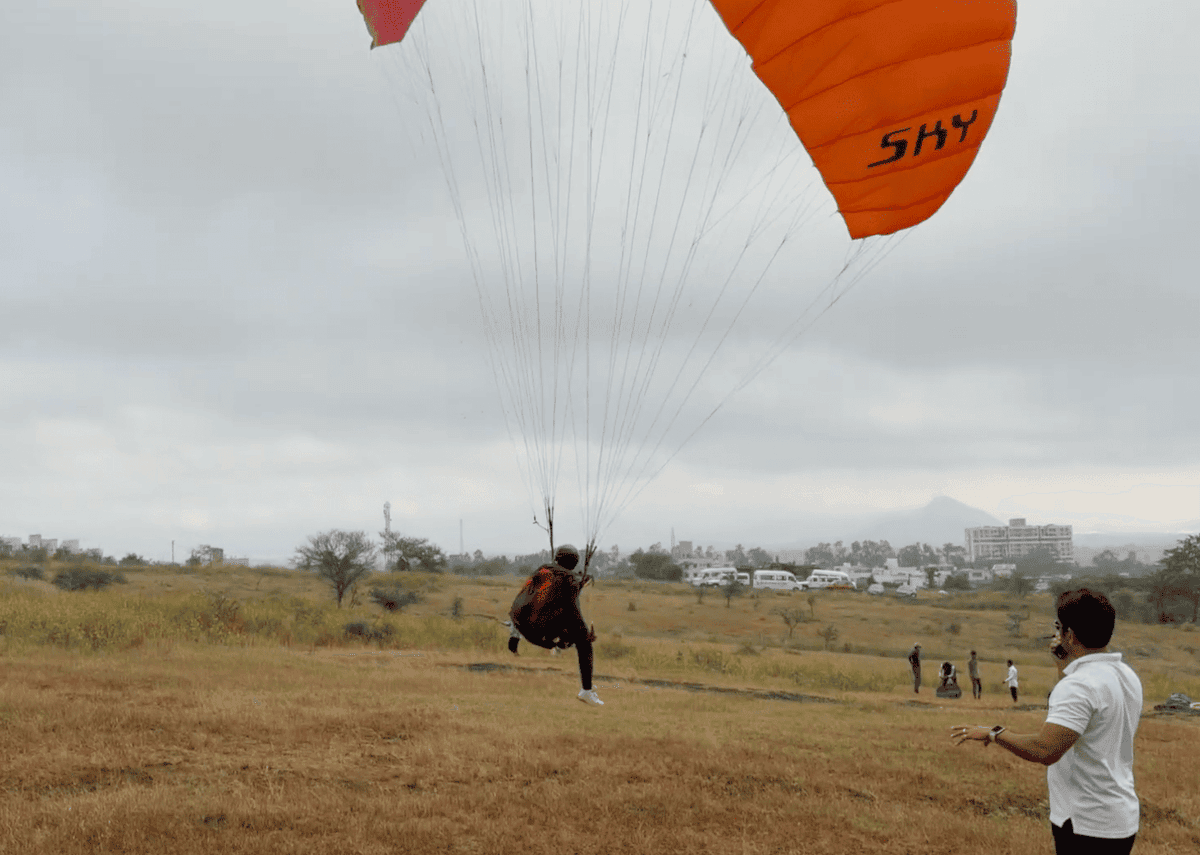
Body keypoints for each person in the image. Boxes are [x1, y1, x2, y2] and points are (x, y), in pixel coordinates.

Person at [951, 589, 1143, 855]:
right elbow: (1081, 715)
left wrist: (994, 733)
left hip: (1086, 823)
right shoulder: (1124, 674)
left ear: (1070, 635)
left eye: (1059, 627)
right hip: (1119, 818)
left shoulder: (1080, 685)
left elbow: (1045, 750)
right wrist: (1062, 666)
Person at [508, 543, 603, 705]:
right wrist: (585, 635)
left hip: (522, 626)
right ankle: (586, 690)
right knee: (584, 642)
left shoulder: (542, 570)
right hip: (543, 633)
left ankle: (561, 645)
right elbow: (573, 612)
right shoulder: (569, 580)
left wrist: (515, 633)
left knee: (567, 629)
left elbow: (527, 599)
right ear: (575, 563)